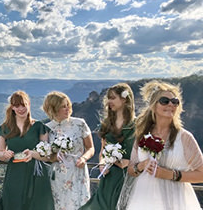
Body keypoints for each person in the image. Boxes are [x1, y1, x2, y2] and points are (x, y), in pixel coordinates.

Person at [119, 80, 203, 210]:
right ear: (153, 106)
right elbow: (131, 170)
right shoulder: (142, 135)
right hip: (144, 200)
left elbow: (201, 174)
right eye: (165, 101)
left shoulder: (185, 138)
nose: (171, 104)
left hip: (176, 201)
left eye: (175, 101)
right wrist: (142, 165)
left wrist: (171, 175)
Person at [0, 90, 54, 210]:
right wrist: (4, 154)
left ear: (29, 104)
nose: (21, 108)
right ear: (12, 107)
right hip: (14, 176)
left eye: (23, 105)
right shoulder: (4, 128)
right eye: (17, 105)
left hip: (36, 175)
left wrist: (33, 154)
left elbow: (47, 155)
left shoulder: (39, 127)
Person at [80, 83, 135, 210]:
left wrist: (129, 162)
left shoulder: (137, 125)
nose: (109, 101)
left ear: (125, 99)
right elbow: (103, 151)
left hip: (128, 176)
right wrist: (102, 164)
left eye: (113, 98)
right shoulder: (107, 124)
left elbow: (143, 153)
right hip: (109, 176)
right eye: (108, 98)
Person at [42, 91, 94, 210]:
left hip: (78, 172)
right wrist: (54, 157)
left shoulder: (80, 124)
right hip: (57, 176)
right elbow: (46, 155)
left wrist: (84, 158)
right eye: (62, 106)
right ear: (53, 109)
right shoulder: (47, 128)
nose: (67, 109)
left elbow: (90, 148)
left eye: (67, 105)